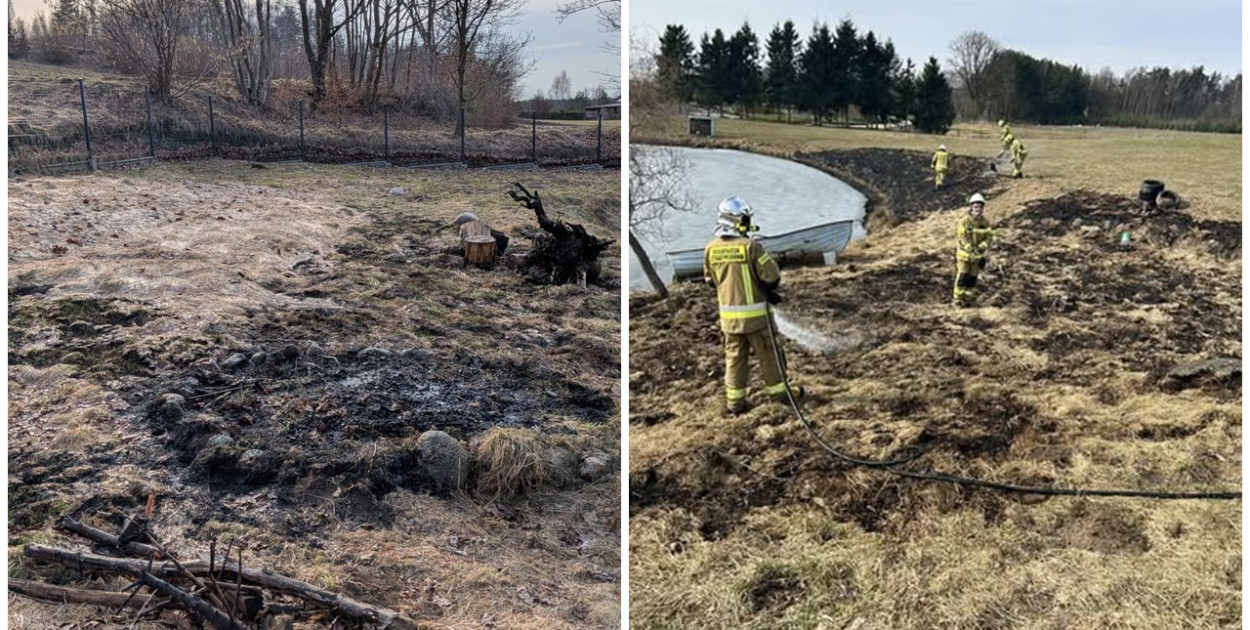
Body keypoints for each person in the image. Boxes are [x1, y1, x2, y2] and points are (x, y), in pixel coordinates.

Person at [703, 196, 802, 414]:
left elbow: (710, 281)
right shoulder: (751, 247)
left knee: (734, 360)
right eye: (746, 219)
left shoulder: (710, 249)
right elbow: (772, 277)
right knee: (770, 357)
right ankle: (780, 395)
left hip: (729, 322)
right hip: (757, 320)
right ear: (736, 220)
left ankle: (735, 403)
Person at [953, 193, 994, 307]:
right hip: (964, 255)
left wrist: (983, 246)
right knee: (963, 276)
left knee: (972, 278)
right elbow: (962, 236)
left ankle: (968, 299)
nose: (978, 209)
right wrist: (968, 247)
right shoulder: (965, 221)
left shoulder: (985, 223)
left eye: (980, 207)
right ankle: (958, 299)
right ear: (971, 207)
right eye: (976, 207)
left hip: (976, 257)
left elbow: (989, 236)